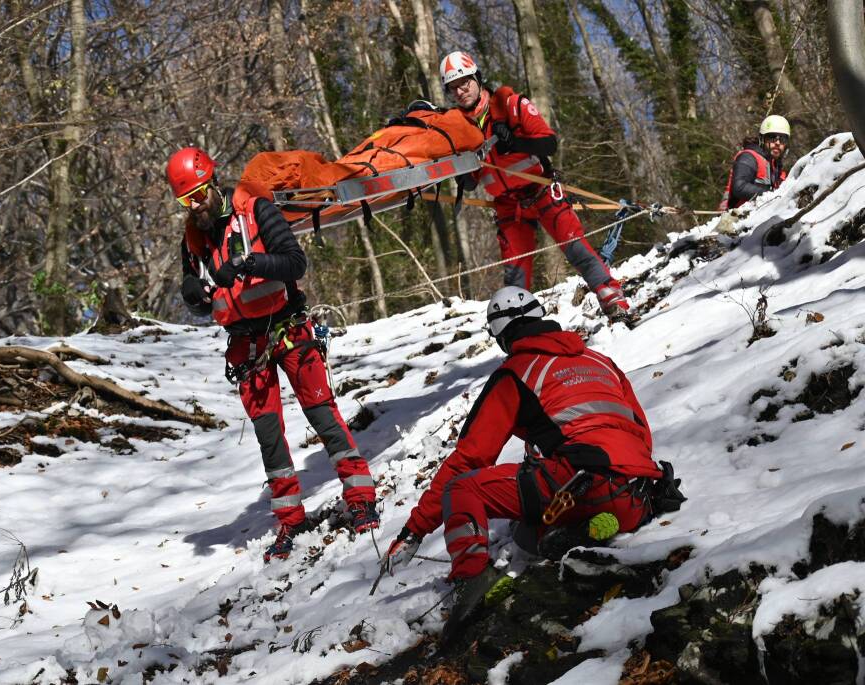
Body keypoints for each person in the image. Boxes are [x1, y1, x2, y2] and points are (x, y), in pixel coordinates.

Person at [381, 286, 683, 592]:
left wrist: (414, 531)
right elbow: (641, 433)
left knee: (462, 489)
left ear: (501, 335)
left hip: (581, 485)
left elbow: (469, 458)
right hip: (638, 494)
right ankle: (586, 529)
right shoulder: (601, 361)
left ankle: (470, 583)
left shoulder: (516, 372)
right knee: (522, 531)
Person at [166, 147, 379, 561]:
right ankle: (291, 519)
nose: (194, 207)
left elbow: (295, 263)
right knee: (269, 436)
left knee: (322, 414)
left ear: (213, 182)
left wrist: (249, 263)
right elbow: (203, 298)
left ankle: (361, 497)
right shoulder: (193, 239)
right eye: (185, 201)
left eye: (198, 195)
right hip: (246, 345)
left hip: (288, 328)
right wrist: (192, 295)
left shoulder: (256, 209)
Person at [439, 51, 631, 322]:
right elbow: (470, 184)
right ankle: (521, 328)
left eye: (465, 82)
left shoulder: (512, 105)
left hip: (540, 191)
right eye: (453, 88)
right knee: (515, 275)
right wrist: (459, 167)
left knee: (575, 247)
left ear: (477, 79)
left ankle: (612, 298)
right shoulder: (458, 128)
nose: (460, 91)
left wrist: (514, 142)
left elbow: (549, 144)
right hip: (508, 206)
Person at [719, 115, 790, 211]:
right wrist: (771, 194)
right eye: (772, 137)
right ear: (762, 139)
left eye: (783, 139)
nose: (777, 143)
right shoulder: (749, 157)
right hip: (738, 215)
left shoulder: (777, 168)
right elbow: (739, 187)